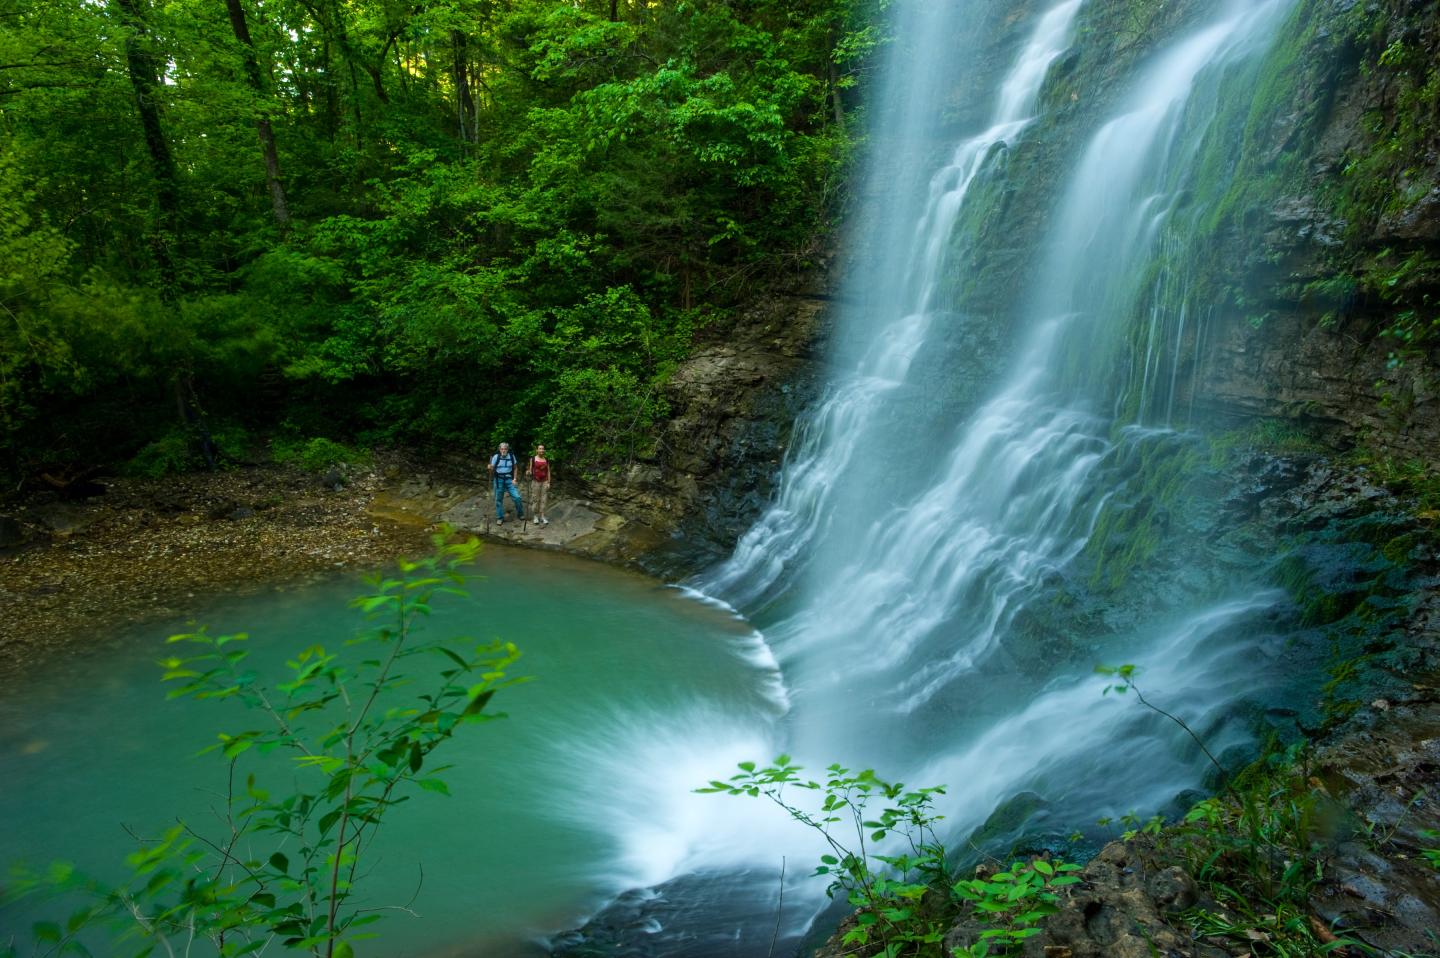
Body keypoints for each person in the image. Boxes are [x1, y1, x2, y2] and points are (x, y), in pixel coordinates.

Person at [488, 441, 524, 524]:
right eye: (502, 449)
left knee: (517, 497)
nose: (503, 450)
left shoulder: (511, 456)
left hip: (509, 479)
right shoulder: (495, 457)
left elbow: (515, 468)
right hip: (498, 479)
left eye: (505, 449)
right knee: (498, 499)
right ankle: (500, 517)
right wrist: (490, 468)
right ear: (499, 450)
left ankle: (520, 514)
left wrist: (514, 479)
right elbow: (492, 470)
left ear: (507, 449)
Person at [527, 443, 552, 526]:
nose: (541, 450)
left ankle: (542, 516)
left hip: (544, 481)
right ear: (537, 450)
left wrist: (549, 482)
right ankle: (535, 516)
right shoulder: (533, 459)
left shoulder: (546, 460)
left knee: (544, 499)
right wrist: (528, 472)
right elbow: (530, 470)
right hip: (535, 481)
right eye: (540, 449)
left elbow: (548, 471)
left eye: (542, 449)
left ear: (544, 450)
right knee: (535, 499)